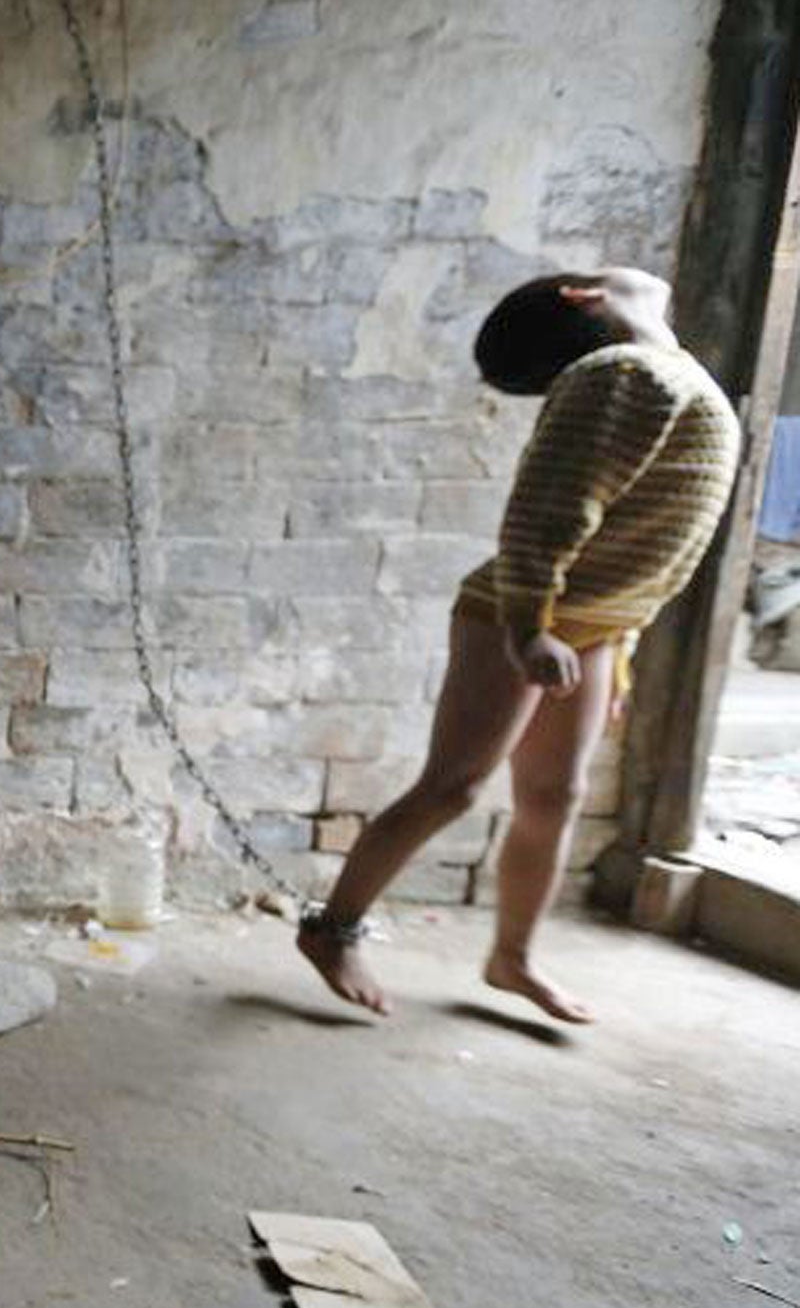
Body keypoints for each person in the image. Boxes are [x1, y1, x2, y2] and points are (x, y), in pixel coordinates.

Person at [297, 267, 741, 1024]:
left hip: (595, 624)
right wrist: (528, 629)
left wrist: (619, 647)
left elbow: (645, 536)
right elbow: (546, 514)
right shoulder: (622, 374)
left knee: (555, 796)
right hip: (524, 615)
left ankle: (513, 960)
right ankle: (331, 930)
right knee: (455, 786)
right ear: (581, 293)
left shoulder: (662, 371)